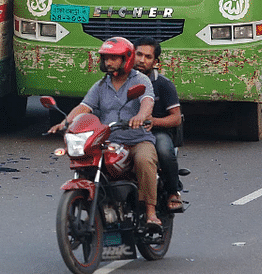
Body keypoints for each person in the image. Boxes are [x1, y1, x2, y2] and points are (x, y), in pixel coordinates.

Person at [48, 37, 161, 226]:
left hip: (137, 140)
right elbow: (84, 107)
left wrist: (140, 116)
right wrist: (64, 122)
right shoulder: (101, 85)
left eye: (113, 58)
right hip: (109, 141)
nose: (108, 62)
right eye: (106, 58)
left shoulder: (140, 80)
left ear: (126, 58)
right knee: (88, 161)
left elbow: (147, 101)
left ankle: (150, 213)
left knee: (144, 159)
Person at [133, 36, 184, 212]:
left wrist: (154, 121)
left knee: (163, 150)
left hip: (157, 132)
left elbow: (176, 118)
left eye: (148, 57)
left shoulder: (163, 85)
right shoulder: (120, 80)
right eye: (139, 54)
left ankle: (173, 191)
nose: (141, 60)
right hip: (127, 131)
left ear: (155, 62)